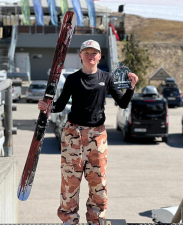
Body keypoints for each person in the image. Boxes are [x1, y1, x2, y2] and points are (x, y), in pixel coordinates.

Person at [38, 40, 138, 225]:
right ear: (80, 56)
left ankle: (96, 219)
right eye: (87, 52)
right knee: (70, 180)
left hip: (97, 136)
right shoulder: (73, 79)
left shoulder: (107, 78)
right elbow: (59, 106)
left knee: (98, 181)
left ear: (99, 56)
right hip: (72, 135)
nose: (90, 56)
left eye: (94, 53)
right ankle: (69, 219)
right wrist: (47, 107)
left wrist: (131, 87)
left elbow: (123, 103)